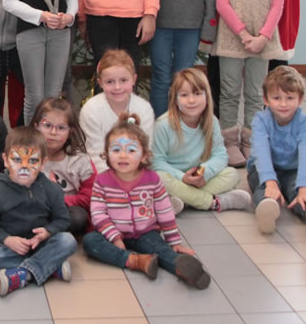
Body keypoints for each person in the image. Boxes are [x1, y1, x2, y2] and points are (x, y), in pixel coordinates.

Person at [81, 113, 210, 289]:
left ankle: (182, 268)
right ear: (107, 154)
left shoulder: (152, 179)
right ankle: (136, 261)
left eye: (131, 150)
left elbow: (165, 211)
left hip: (146, 233)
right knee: (90, 241)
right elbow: (97, 213)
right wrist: (115, 237)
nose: (123, 155)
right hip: (111, 234)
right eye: (116, 150)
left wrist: (174, 241)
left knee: (161, 250)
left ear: (143, 156)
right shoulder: (102, 181)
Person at [213, 0, 288, 167]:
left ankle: (251, 141)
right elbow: (222, 4)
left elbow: (277, 6)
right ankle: (229, 143)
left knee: (256, 94)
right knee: (230, 92)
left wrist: (263, 36)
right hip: (232, 39)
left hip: (262, 42)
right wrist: (243, 33)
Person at [0, 127, 76, 297]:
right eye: (17, 159)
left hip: (41, 244)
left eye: (33, 161)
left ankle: (24, 273)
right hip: (10, 248)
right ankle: (50, 266)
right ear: (5, 160)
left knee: (68, 241)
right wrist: (7, 240)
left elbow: (63, 219)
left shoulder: (51, 189)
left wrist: (47, 232)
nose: (24, 167)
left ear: (43, 163)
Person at [152, 69, 250, 214]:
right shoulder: (163, 125)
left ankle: (181, 200)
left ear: (207, 96)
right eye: (184, 95)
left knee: (232, 174)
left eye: (197, 93)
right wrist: (182, 178)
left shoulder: (212, 121)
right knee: (159, 178)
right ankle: (215, 202)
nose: (191, 100)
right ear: (175, 99)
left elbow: (220, 155)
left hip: (199, 177)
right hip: (174, 177)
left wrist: (204, 173)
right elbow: (156, 162)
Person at [249, 66, 306, 237]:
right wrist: (270, 181)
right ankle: (267, 209)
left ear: (300, 99)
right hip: (262, 169)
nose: (283, 104)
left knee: (298, 191)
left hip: (292, 170)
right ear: (266, 100)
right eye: (276, 98)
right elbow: (261, 152)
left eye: (290, 98)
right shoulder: (260, 120)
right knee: (263, 188)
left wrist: (304, 186)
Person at [80, 49, 155, 173]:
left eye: (123, 80)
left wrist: (132, 178)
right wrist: (113, 181)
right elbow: (94, 155)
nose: (117, 87)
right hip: (101, 175)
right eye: (110, 82)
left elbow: (145, 150)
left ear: (134, 79)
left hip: (135, 174)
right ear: (100, 83)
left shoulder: (144, 108)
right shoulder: (91, 109)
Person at [33, 97, 95, 234]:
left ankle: (48, 231)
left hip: (66, 208)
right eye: (47, 125)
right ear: (36, 126)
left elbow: (90, 194)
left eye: (61, 128)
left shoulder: (80, 160)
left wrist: (62, 200)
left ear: (70, 132)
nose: (53, 132)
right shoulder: (28, 156)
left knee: (78, 217)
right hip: (35, 206)